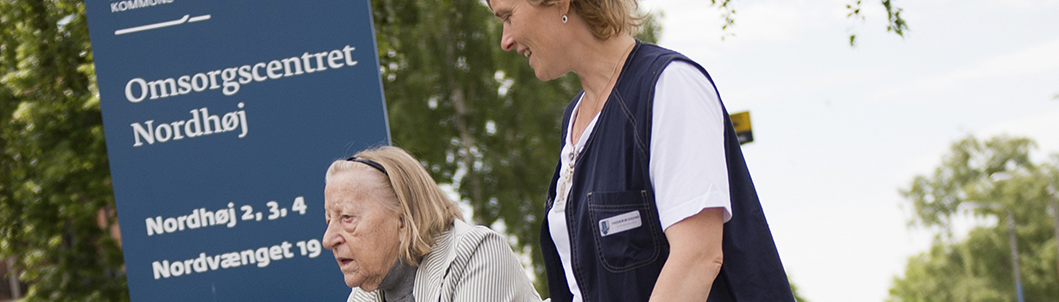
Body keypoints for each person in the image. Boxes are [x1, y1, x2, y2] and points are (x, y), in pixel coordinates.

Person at [485, 0, 794, 301]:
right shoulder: (573, 121)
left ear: (561, 3)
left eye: (508, 16)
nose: (506, 41)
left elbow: (698, 256)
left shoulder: (670, 85)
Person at [322, 146, 542, 302]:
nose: (328, 240)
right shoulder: (365, 294)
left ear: (403, 220)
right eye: (328, 220)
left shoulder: (475, 253)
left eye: (347, 218)